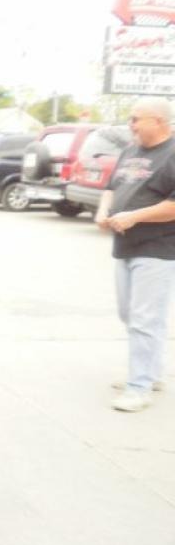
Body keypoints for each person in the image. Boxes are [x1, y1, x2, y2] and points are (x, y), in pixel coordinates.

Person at [96, 96, 175, 412]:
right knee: (130, 315)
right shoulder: (130, 151)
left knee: (144, 318)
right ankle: (152, 373)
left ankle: (139, 386)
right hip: (124, 245)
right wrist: (103, 212)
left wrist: (134, 216)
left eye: (135, 118)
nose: (130, 125)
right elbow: (112, 189)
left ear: (158, 121)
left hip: (157, 248)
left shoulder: (171, 154)